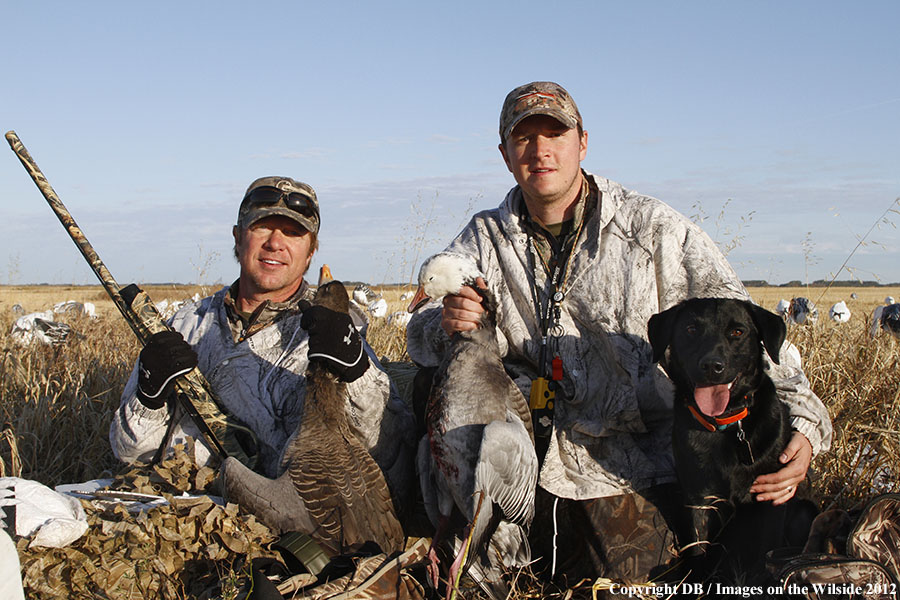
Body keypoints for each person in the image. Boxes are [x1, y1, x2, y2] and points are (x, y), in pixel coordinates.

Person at [406, 82, 832, 582]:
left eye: (555, 134)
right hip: (523, 448)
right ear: (505, 154)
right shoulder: (484, 237)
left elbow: (741, 330)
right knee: (424, 396)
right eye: (524, 138)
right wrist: (449, 323)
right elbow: (421, 335)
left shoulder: (653, 231)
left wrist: (803, 425)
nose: (541, 150)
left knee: (621, 581)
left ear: (582, 142)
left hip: (633, 457)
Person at [110, 176, 415, 519]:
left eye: (293, 233)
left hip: (271, 527)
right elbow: (128, 452)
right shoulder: (186, 325)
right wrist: (149, 398)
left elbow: (390, 457)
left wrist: (356, 370)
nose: (275, 243)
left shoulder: (331, 330)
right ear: (238, 237)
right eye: (262, 227)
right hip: (174, 513)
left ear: (311, 251)